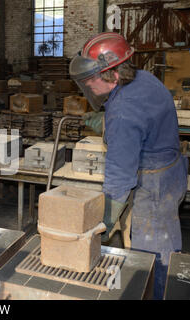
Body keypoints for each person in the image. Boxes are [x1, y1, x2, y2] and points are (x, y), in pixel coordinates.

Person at [69, 32, 188, 300]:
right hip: (171, 169)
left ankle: (160, 293)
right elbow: (141, 119)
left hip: (155, 187)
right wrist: (106, 119)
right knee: (160, 241)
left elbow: (120, 175)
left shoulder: (123, 111)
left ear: (110, 74)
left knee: (155, 256)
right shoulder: (143, 79)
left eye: (89, 80)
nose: (86, 86)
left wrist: (106, 218)